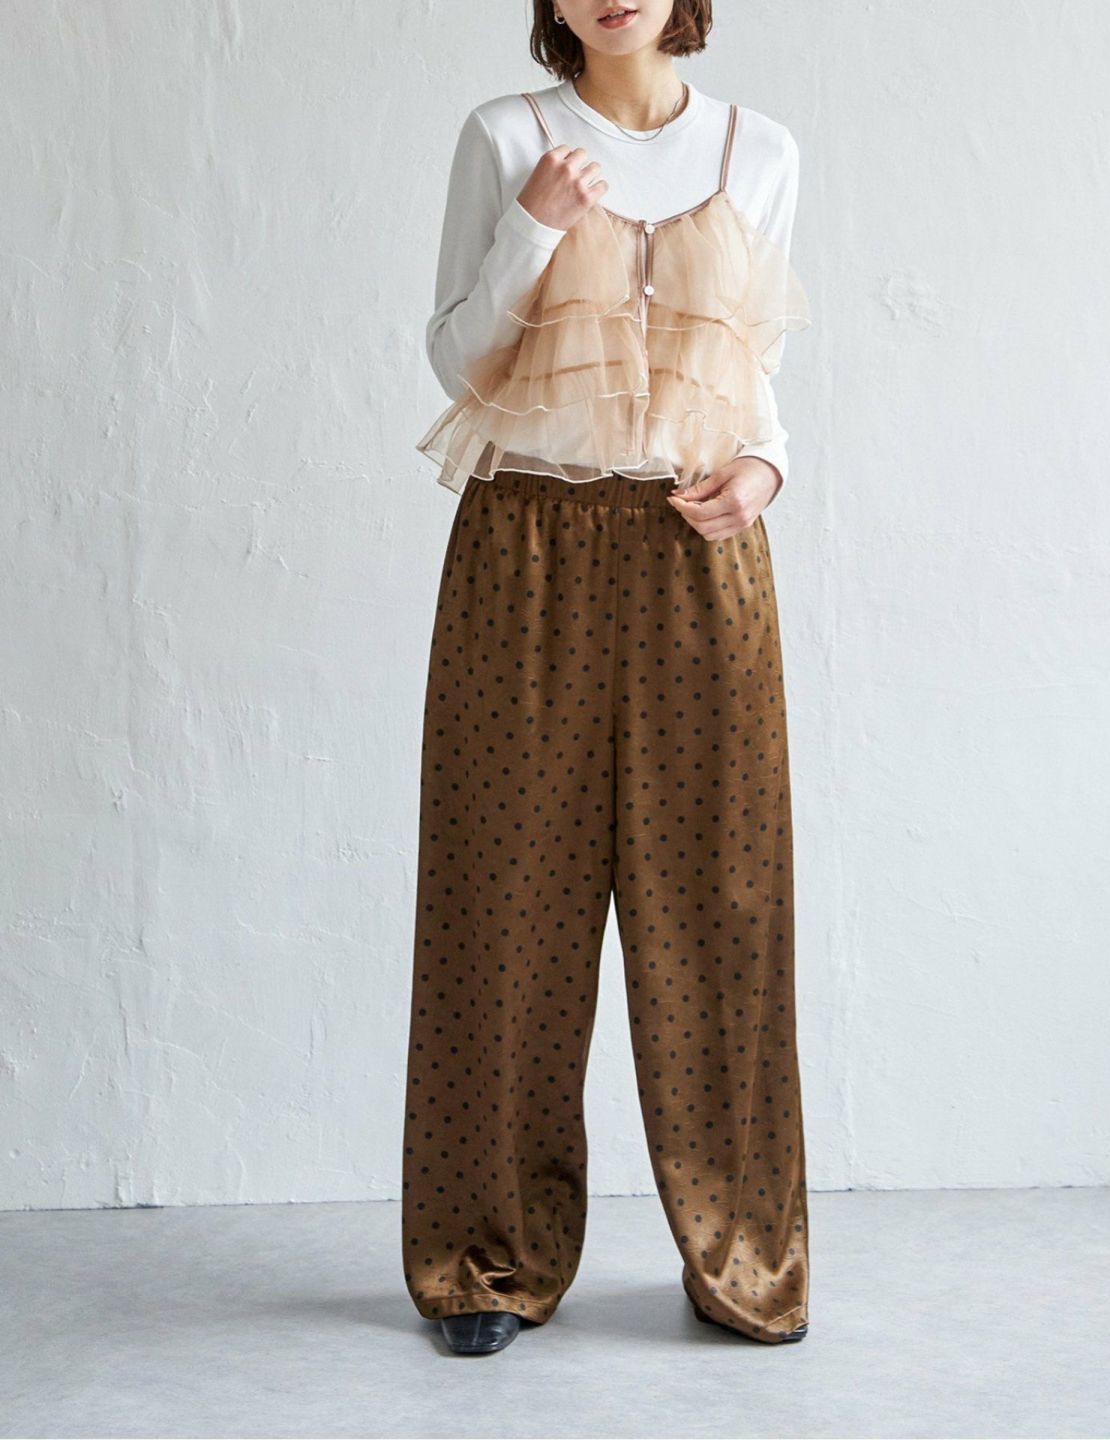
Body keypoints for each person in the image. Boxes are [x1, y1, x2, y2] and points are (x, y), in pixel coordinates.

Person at [403, 0, 814, 1356]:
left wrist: (768, 469)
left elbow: (750, 370)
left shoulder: (761, 151)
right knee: (502, 909)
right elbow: (456, 355)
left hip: (700, 553)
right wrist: (532, 225)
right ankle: (486, 1258)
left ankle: (742, 1252)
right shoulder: (506, 134)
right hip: (525, 544)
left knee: (725, 910)